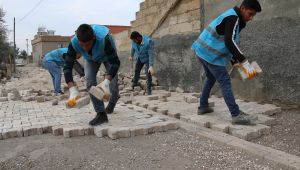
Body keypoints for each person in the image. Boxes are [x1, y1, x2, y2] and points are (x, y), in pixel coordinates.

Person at [191, 0, 262, 125]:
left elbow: (228, 41)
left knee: (211, 78)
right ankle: (236, 115)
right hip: (209, 54)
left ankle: (203, 107)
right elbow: (229, 42)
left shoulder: (234, 17)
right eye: (250, 14)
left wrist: (234, 62)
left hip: (201, 50)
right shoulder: (233, 18)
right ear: (243, 8)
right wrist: (244, 62)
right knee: (225, 81)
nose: (251, 18)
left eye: (253, 16)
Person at [63, 24, 120, 126]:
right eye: (82, 45)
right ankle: (101, 114)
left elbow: (116, 63)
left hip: (108, 57)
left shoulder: (104, 39)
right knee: (89, 81)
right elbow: (67, 66)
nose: (85, 48)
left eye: (88, 44)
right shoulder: (74, 43)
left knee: (113, 87)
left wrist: (106, 81)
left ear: (93, 38)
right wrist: (72, 89)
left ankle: (113, 102)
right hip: (90, 59)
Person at [129, 31, 155, 95]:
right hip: (140, 58)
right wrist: (131, 55)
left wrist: (151, 65)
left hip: (147, 59)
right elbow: (133, 47)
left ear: (138, 38)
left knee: (148, 73)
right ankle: (135, 83)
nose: (133, 42)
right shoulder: (134, 41)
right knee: (136, 70)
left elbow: (151, 54)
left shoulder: (148, 42)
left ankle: (149, 90)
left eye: (134, 40)